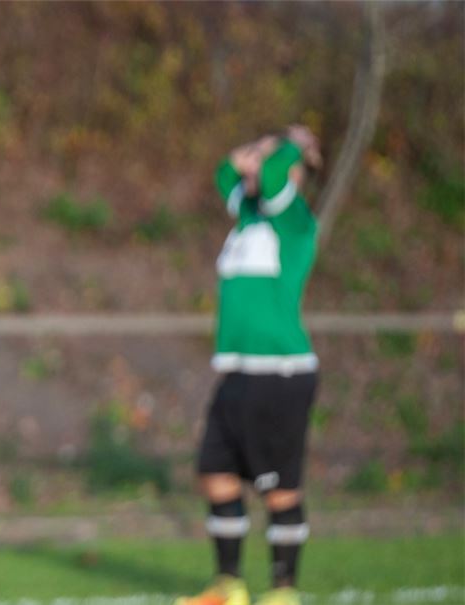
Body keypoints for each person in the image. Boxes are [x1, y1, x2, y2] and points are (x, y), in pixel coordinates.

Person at [177, 126, 322, 605]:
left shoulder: (294, 220)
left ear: (294, 173)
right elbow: (223, 173)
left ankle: (284, 592)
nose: (256, 167)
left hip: (280, 374)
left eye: (268, 161)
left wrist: (291, 146)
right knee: (215, 474)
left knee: (279, 491)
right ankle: (229, 585)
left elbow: (277, 169)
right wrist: (253, 152)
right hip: (239, 372)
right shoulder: (248, 218)